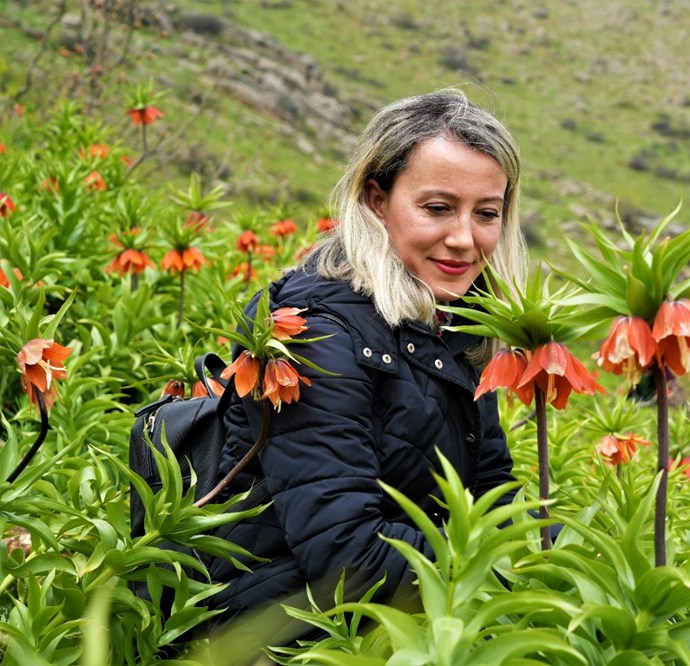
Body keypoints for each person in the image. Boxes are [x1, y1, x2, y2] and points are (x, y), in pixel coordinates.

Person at [204, 89, 527, 659]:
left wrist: (532, 572)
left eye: (486, 213)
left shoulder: (452, 327)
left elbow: (493, 493)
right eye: (437, 208)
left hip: (395, 614)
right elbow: (348, 554)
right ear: (377, 200)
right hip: (284, 635)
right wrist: (504, 589)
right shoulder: (318, 334)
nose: (464, 238)